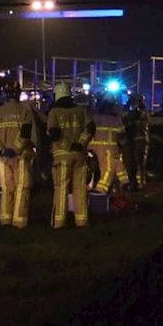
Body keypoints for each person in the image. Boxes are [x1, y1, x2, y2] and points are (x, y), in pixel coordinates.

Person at [46, 81, 96, 228]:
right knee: (80, 188)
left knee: (61, 189)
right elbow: (91, 128)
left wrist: (67, 145)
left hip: (61, 157)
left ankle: (59, 223)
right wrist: (80, 143)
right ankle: (82, 221)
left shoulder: (54, 112)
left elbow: (53, 133)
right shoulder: (81, 110)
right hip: (80, 155)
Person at [0, 81, 35, 228]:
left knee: (6, 189)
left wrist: (1, 150)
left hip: (3, 158)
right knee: (22, 187)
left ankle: (5, 219)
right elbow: (26, 134)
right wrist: (15, 149)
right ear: (18, 93)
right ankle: (19, 222)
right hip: (21, 157)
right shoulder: (25, 111)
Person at [91, 100, 129, 196]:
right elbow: (121, 135)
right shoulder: (116, 119)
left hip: (93, 148)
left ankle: (125, 183)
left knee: (116, 164)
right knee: (108, 169)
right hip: (108, 148)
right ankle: (100, 189)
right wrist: (124, 144)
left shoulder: (94, 118)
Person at [123, 94, 150, 190]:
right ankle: (139, 183)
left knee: (138, 163)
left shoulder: (140, 111)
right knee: (138, 163)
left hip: (140, 141)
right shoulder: (142, 110)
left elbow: (127, 116)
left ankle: (139, 184)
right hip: (139, 140)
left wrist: (126, 104)